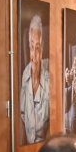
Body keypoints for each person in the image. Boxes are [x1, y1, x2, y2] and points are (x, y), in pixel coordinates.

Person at [19, 14, 50, 145]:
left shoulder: (50, 76)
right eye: (31, 47)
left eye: (37, 48)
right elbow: (21, 115)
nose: (34, 55)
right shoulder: (25, 74)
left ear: (42, 49)